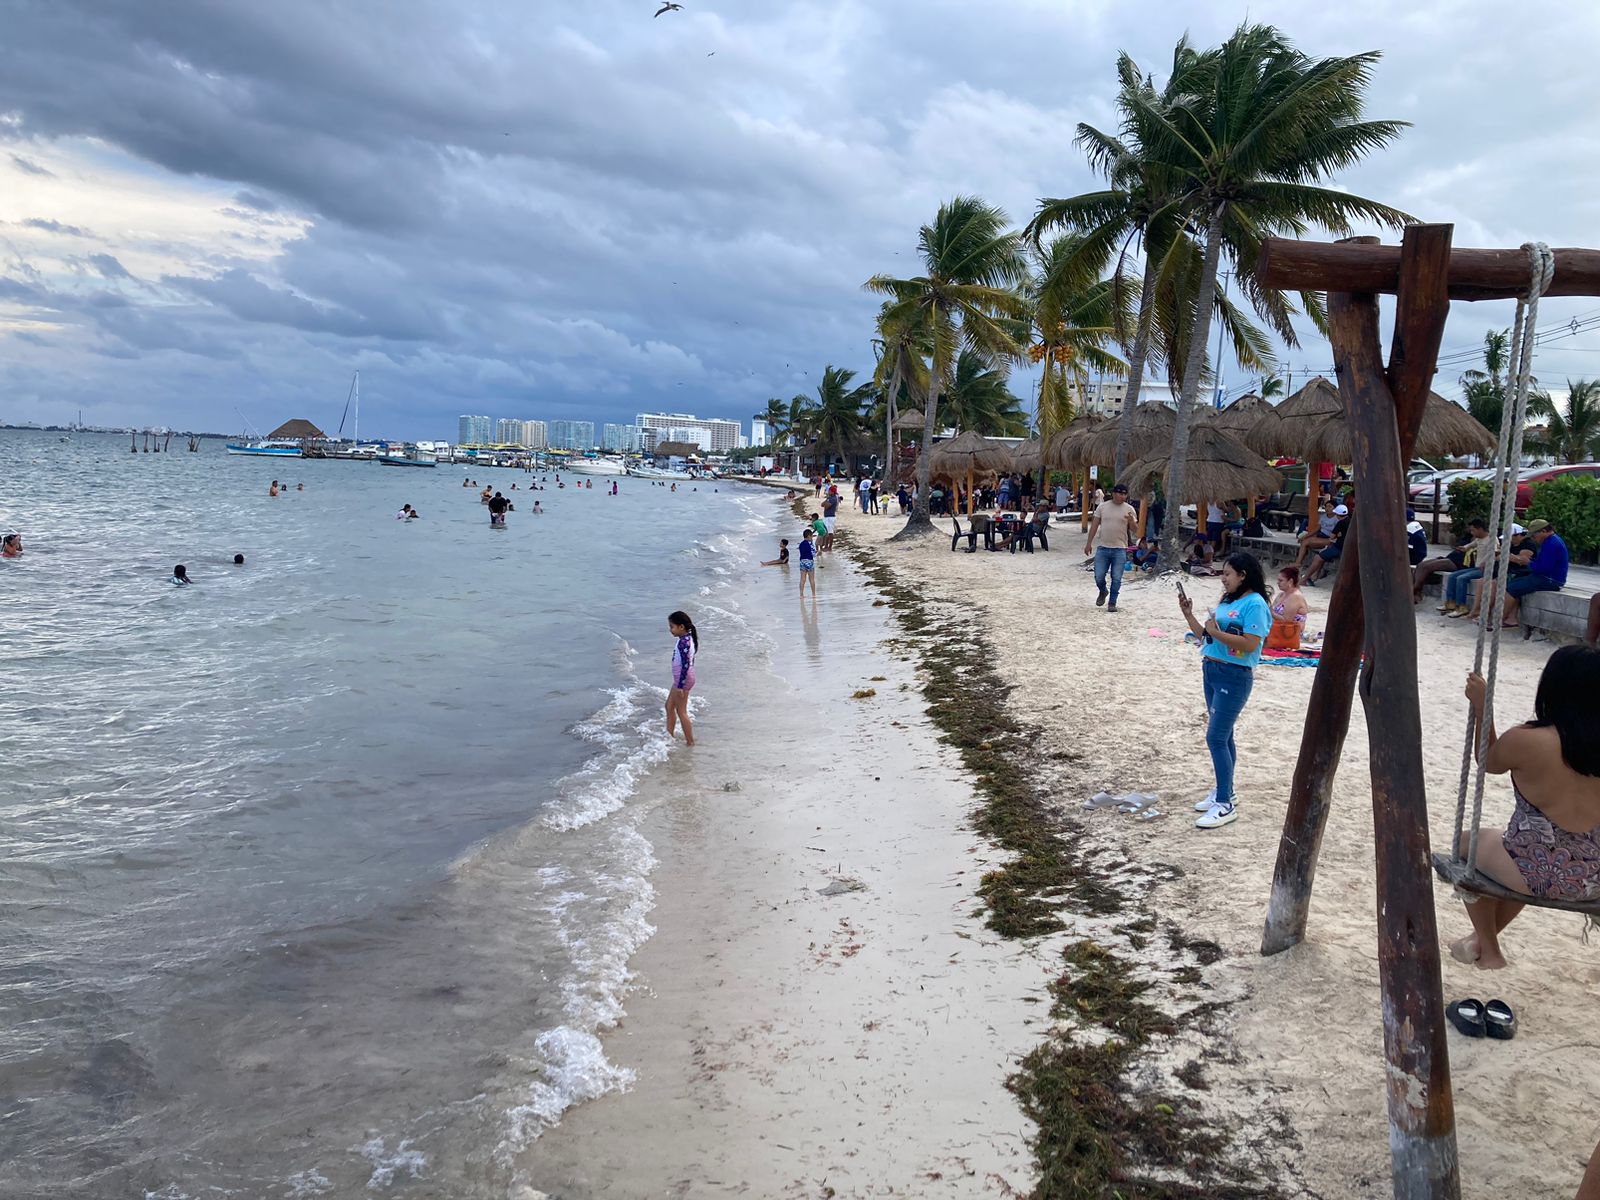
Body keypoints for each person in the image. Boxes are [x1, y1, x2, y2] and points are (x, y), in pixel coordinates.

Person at [1449, 647, 1600, 970]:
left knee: (1466, 845)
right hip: (1591, 879)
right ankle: (1478, 941)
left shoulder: (1530, 740)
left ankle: (1489, 950)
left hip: (1537, 872)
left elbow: (1486, 761)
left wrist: (1482, 706)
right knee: (1513, 848)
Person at [1178, 553, 1273, 829]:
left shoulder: (1255, 605)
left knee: (1216, 737)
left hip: (1234, 675)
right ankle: (1225, 791)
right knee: (1224, 735)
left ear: (1243, 575)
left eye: (1228, 574)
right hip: (1212, 668)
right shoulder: (1230, 601)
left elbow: (1250, 644)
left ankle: (1225, 804)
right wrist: (1188, 614)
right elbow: (1205, 636)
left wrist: (1214, 632)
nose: (1223, 578)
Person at [1501, 518, 1567, 629]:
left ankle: (1500, 619)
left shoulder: (1551, 544)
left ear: (1544, 531)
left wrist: (1528, 562)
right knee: (1516, 582)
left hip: (1550, 579)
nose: (1533, 538)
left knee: (1511, 588)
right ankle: (1510, 618)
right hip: (1548, 577)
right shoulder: (1551, 541)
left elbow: (1544, 569)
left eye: (1534, 535)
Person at [1084, 482, 1139, 612]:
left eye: (1125, 494)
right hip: (1103, 547)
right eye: (1120, 493)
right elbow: (1095, 526)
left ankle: (1112, 602)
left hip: (1120, 548)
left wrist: (1131, 521)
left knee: (1117, 577)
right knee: (1099, 576)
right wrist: (1088, 543)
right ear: (1114, 493)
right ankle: (1103, 591)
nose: (1123, 496)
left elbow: (1135, 530)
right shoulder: (1102, 507)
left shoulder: (1129, 509)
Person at [1418, 517, 1491, 608]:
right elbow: (1470, 545)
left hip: (1480, 568)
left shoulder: (1491, 540)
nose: (1472, 533)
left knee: (1461, 578)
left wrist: (1484, 562)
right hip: (1472, 566)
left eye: (1473, 530)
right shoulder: (1478, 539)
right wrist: (1464, 548)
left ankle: (1461, 605)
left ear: (1480, 529)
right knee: (1452, 576)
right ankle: (1450, 602)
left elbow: (1495, 553)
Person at [1302, 496, 1353, 587]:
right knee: (1322, 555)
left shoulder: (1340, 523)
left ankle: (1305, 578)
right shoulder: (1350, 521)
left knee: (1318, 557)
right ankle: (1315, 576)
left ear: (1337, 514)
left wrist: (1337, 535)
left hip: (1339, 547)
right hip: (1346, 547)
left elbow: (1332, 536)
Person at [665, 610, 699, 747]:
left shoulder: (684, 643)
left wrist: (680, 685)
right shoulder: (685, 639)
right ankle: (669, 737)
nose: (670, 630)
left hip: (682, 680)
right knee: (669, 706)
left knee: (681, 711)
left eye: (672, 627)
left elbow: (685, 664)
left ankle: (690, 742)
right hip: (681, 679)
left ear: (681, 627)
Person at [1266, 566, 1310, 651]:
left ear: (1290, 581)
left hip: (1290, 633)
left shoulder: (1295, 597)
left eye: (1281, 581)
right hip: (1279, 629)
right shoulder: (1281, 595)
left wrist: (1271, 612)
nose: (1278, 583)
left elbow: (1287, 620)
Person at [1291, 496, 1340, 570]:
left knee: (1305, 542)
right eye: (1326, 506)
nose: (1327, 508)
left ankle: (1298, 563)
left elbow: (1337, 533)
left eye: (1330, 506)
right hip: (1321, 536)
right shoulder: (1323, 517)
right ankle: (1302, 563)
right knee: (1304, 542)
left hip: (1330, 539)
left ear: (1335, 508)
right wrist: (1306, 536)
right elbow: (1317, 529)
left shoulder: (1337, 518)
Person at [797, 527, 817, 597]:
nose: (812, 538)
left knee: (802, 579)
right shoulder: (810, 544)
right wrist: (818, 553)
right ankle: (813, 594)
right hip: (809, 561)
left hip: (802, 561)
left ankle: (801, 594)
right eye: (811, 536)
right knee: (811, 579)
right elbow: (814, 554)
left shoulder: (801, 544)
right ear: (808, 536)